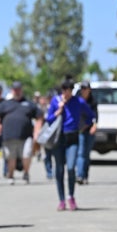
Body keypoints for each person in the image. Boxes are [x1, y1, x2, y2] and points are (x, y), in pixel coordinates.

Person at [45, 77, 95, 211]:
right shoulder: (56, 101)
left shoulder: (78, 102)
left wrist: (85, 126)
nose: (67, 93)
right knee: (59, 170)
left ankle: (71, 196)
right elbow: (48, 120)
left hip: (72, 137)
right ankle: (61, 200)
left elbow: (90, 115)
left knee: (71, 167)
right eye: (64, 90)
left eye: (69, 90)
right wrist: (57, 111)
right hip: (58, 138)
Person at [0, 81, 43, 184]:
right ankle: (11, 175)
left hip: (26, 136)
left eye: (19, 89)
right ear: (12, 90)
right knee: (11, 157)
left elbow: (39, 117)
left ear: (22, 90)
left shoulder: (29, 104)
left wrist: (37, 131)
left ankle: (26, 173)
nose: (17, 91)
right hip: (9, 136)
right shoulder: (5, 104)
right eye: (15, 89)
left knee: (26, 155)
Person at [77, 81, 98, 184]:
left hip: (89, 129)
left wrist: (94, 126)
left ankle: (85, 175)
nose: (83, 90)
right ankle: (79, 175)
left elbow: (95, 116)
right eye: (82, 88)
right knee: (80, 152)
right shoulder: (77, 100)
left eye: (85, 88)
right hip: (80, 130)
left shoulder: (92, 101)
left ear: (89, 90)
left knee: (86, 154)